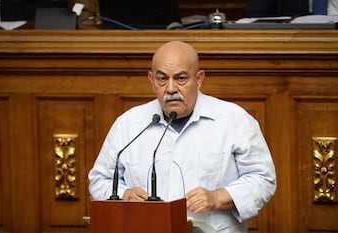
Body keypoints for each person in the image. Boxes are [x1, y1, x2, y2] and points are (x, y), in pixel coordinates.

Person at [88, 41, 277, 233]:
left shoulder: (233, 119)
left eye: (180, 78)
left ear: (199, 79)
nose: (170, 88)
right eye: (162, 79)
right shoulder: (129, 124)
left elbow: (263, 178)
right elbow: (100, 179)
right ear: (151, 80)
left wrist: (218, 197)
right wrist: (124, 195)